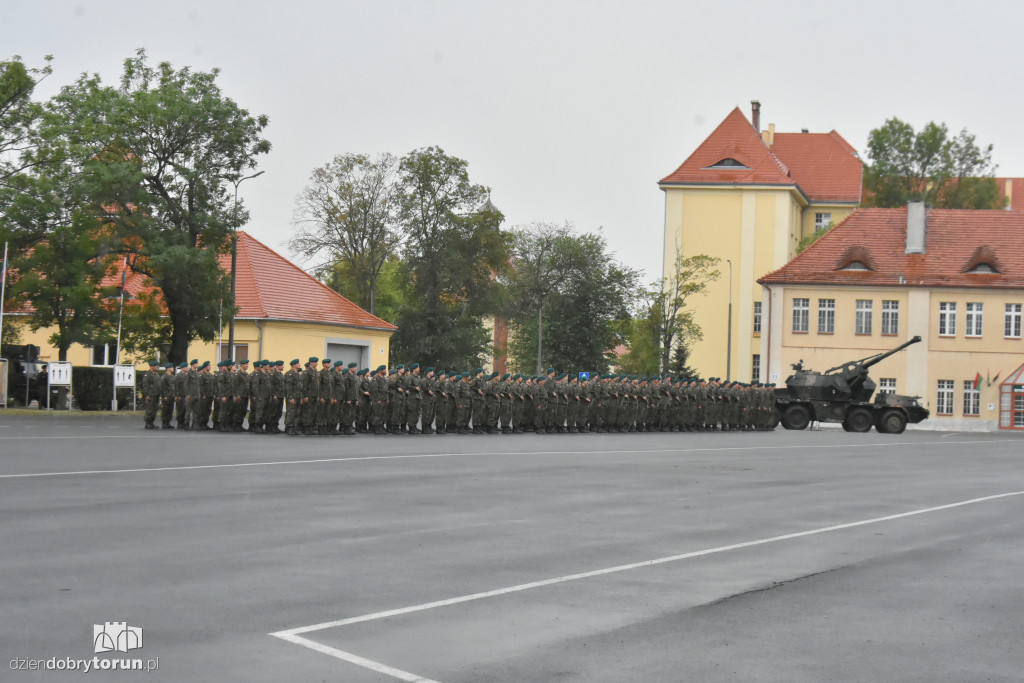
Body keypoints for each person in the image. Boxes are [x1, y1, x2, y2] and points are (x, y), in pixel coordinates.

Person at [141, 360, 162, 429]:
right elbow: (145, 385)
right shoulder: (147, 375)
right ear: (152, 366)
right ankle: (148, 423)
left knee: (155, 409)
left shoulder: (156, 374)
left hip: (156, 394)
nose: (157, 367)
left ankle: (152, 423)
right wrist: (146, 395)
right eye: (156, 366)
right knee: (149, 409)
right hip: (150, 395)